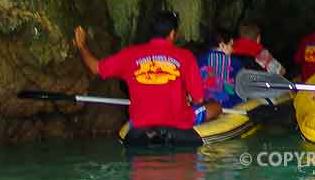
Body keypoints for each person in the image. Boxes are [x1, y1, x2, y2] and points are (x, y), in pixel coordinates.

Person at [74, 10, 221, 131]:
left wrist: (81, 46)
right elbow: (199, 100)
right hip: (178, 122)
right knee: (215, 107)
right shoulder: (185, 56)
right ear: (172, 33)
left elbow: (96, 68)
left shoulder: (130, 54)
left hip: (141, 123)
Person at [197, 27, 244, 108]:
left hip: (205, 106)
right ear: (221, 44)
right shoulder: (235, 62)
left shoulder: (200, 59)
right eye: (231, 45)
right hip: (230, 105)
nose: (232, 49)